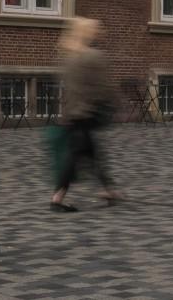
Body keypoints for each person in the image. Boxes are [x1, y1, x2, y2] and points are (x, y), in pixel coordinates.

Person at [50, 17, 118, 212]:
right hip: (87, 113)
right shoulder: (93, 56)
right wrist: (116, 104)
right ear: (88, 33)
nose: (100, 33)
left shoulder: (68, 56)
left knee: (92, 152)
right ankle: (57, 199)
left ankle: (109, 190)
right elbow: (105, 87)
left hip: (73, 113)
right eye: (96, 30)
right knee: (75, 156)